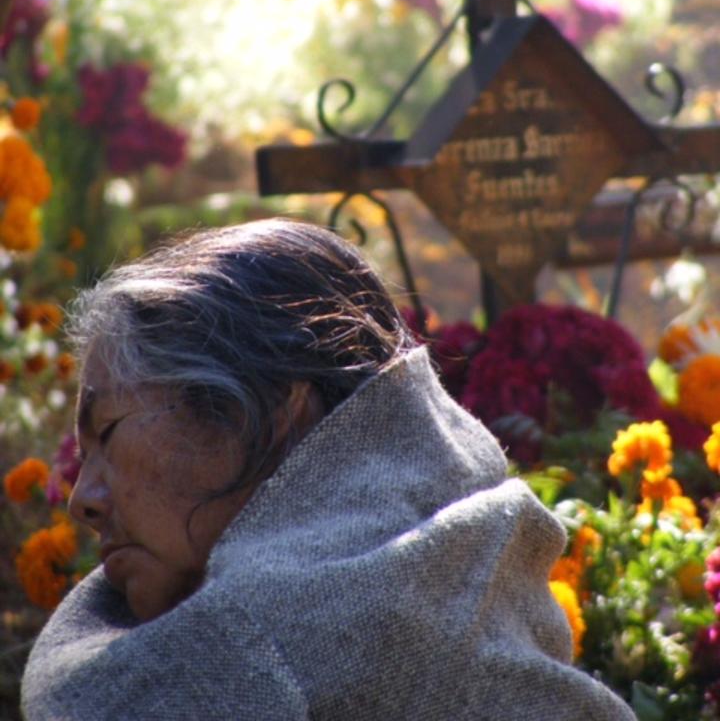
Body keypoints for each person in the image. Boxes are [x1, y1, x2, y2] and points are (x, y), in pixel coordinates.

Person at [22, 218, 635, 720]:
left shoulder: (263, 643)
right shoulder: (461, 565)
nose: (84, 500)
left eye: (106, 433)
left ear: (268, 413)